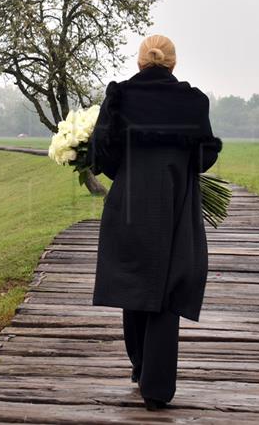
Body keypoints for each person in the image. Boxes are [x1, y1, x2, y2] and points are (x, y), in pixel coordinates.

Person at [87, 34, 222, 410]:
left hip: (130, 199)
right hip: (176, 200)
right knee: (167, 286)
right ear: (173, 63)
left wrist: (127, 172)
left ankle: (140, 364)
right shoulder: (194, 102)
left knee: (134, 279)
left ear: (139, 62)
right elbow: (205, 154)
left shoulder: (119, 96)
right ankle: (157, 388)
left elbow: (102, 154)